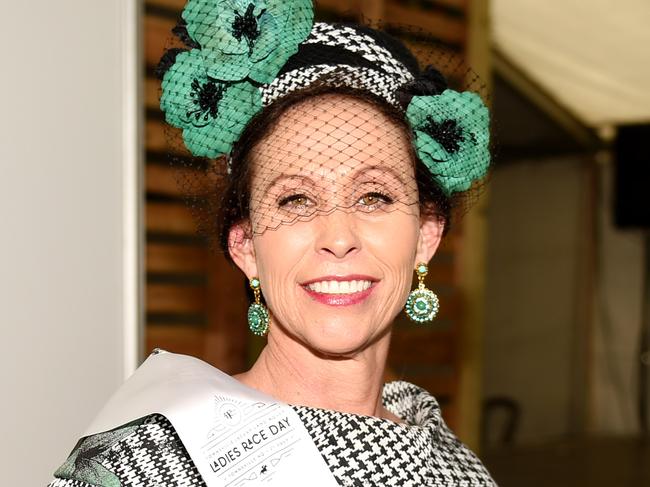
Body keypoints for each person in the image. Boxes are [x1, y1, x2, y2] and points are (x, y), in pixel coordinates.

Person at [48, 0, 495, 485]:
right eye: (296, 200)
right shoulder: (146, 461)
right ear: (245, 246)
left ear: (426, 235)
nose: (339, 237)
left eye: (373, 196)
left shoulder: (454, 462)